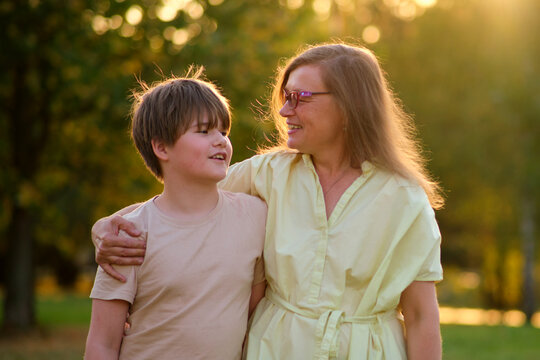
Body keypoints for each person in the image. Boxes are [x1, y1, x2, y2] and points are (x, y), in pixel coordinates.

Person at [92, 43, 444, 360]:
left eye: (301, 97)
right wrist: (103, 230)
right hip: (275, 350)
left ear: (349, 106)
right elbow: (179, 199)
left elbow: (420, 316)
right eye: (284, 98)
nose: (285, 111)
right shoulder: (268, 173)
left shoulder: (404, 198)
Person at [84, 71, 267, 360]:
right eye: (204, 131)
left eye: (224, 131)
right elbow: (102, 345)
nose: (220, 140)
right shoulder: (128, 236)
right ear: (161, 147)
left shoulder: (255, 217)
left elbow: (253, 315)